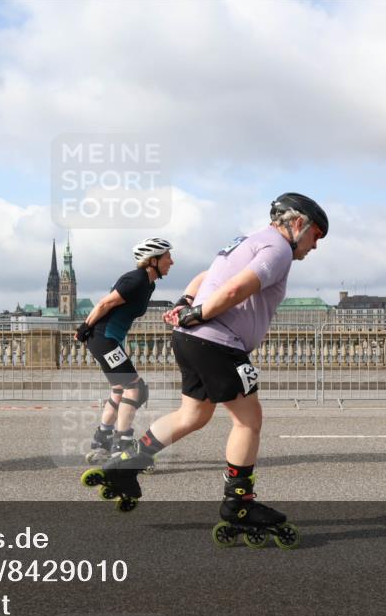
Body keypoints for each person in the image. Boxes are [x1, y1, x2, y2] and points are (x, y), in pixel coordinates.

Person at [82, 193, 326, 549]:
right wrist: (200, 313)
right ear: (298, 223)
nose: (315, 246)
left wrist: (186, 305)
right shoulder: (278, 249)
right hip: (219, 342)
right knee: (248, 420)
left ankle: (126, 467)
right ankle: (239, 504)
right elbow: (237, 288)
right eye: (316, 235)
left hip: (191, 340)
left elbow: (205, 276)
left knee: (192, 415)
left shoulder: (247, 241)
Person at [76, 238, 174, 464]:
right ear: (153, 260)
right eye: (168, 256)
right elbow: (104, 304)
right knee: (135, 388)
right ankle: (123, 445)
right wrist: (84, 327)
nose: (172, 261)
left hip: (109, 340)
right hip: (104, 339)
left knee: (120, 389)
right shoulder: (136, 279)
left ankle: (101, 441)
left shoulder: (149, 283)